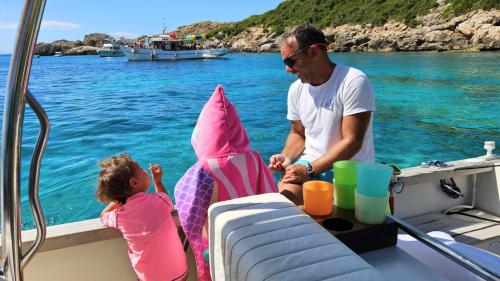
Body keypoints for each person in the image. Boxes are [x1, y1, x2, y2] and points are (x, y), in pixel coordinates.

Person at [269, 23, 375, 204]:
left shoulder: (353, 81)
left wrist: (310, 170)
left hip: (349, 169)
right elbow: (298, 134)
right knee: (284, 201)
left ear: (314, 52)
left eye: (290, 61)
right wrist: (286, 156)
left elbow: (352, 142)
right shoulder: (296, 89)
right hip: (310, 165)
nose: (287, 69)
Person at [97, 154, 188, 281]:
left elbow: (103, 216)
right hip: (179, 272)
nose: (145, 171)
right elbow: (168, 203)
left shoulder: (120, 216)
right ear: (134, 182)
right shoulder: (159, 199)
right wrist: (158, 181)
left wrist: (118, 200)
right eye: (141, 169)